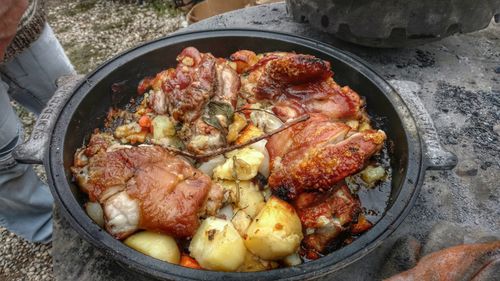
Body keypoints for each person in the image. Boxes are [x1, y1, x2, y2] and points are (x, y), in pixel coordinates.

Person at [0, 0, 75, 243]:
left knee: (72, 105)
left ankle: (82, 184)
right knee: (5, 160)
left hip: (21, 20)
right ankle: (51, 230)